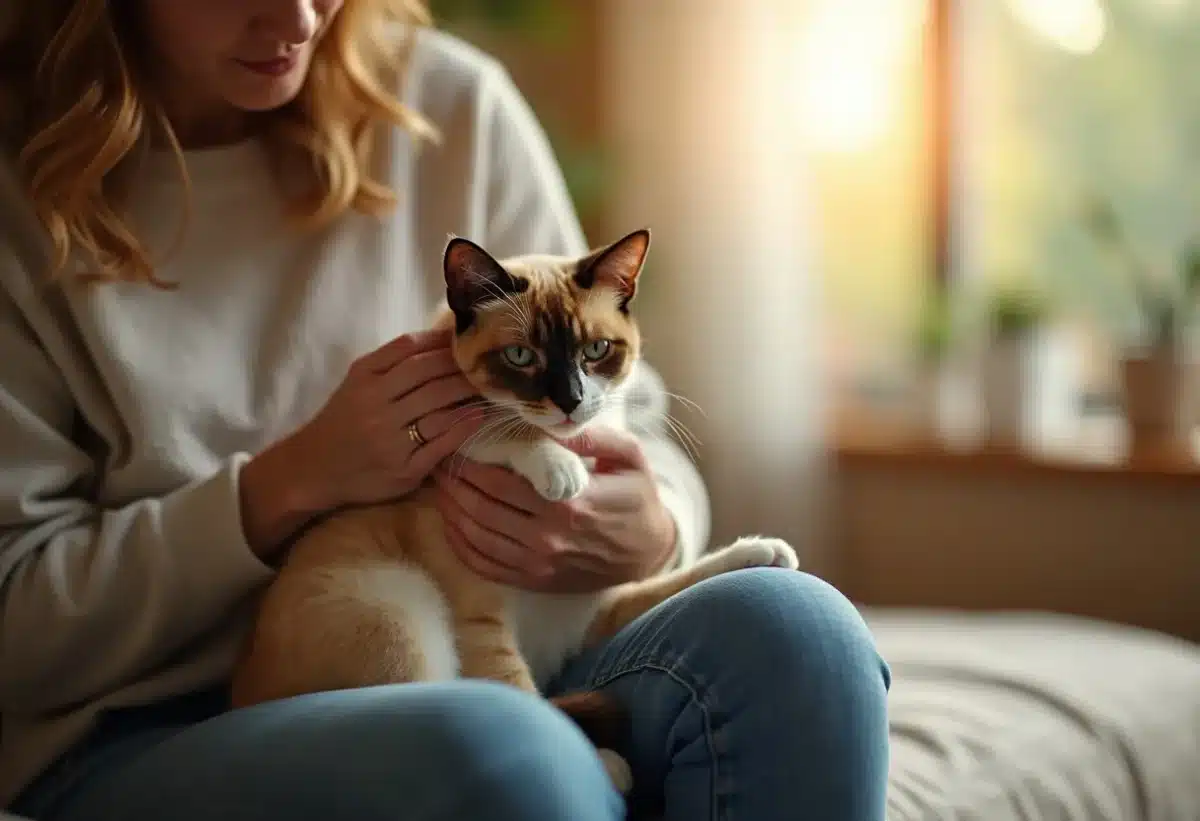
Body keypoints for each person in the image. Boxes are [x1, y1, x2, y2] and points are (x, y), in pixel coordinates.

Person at [0, 2, 891, 819]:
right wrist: (290, 482)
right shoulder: (18, 178)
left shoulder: (451, 106)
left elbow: (634, 414)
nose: (301, 16)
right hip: (142, 728)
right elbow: (16, 625)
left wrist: (654, 523)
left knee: (804, 640)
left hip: (506, 629)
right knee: (507, 752)